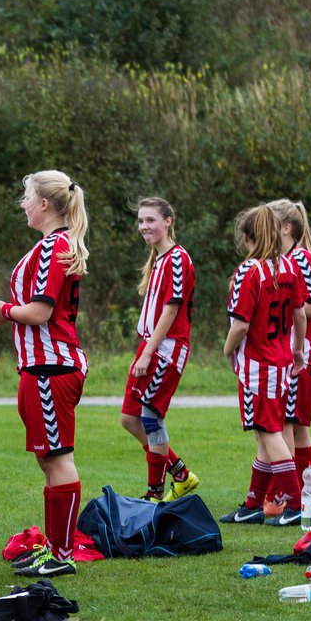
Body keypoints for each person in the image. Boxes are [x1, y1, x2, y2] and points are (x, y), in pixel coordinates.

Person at [0, 170, 89, 579]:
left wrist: (3, 310)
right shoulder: (52, 246)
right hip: (41, 367)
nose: (22, 204)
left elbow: (39, 312)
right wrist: (4, 311)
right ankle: (56, 549)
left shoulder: (55, 247)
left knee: (58, 458)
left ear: (44, 205)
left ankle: (62, 554)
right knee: (48, 458)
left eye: (26, 197)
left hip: (51, 367)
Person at [217, 205, 307, 524]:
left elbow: (240, 325)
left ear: (247, 236)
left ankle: (296, 504)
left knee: (270, 434)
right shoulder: (289, 267)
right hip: (280, 361)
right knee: (263, 434)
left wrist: (228, 352)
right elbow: (299, 314)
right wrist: (296, 350)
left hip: (260, 364)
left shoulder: (249, 271)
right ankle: (254, 503)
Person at [119, 197, 198, 502]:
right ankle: (180, 474)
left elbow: (171, 309)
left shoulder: (177, 258)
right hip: (151, 346)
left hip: (166, 349)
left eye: (150, 220)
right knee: (129, 418)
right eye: (140, 221)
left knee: (151, 417)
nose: (144, 226)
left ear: (168, 221)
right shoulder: (160, 259)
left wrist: (149, 352)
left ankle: (153, 495)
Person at [267, 198, 311, 526]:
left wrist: (289, 308)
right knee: (292, 425)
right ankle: (302, 496)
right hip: (287, 352)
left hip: (302, 352)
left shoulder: (300, 258)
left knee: (293, 425)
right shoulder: (283, 258)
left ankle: (296, 497)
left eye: (270, 221)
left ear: (286, 226)